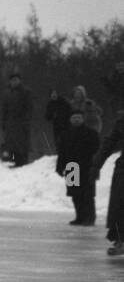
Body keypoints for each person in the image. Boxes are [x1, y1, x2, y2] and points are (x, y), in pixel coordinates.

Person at [57, 109, 99, 225]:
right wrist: (60, 167)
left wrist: (95, 166)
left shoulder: (91, 133)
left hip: (87, 167)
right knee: (75, 194)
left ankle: (90, 218)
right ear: (70, 120)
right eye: (74, 118)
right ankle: (79, 217)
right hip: (71, 167)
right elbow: (62, 153)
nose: (76, 120)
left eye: (78, 118)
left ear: (83, 119)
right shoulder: (65, 134)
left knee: (87, 194)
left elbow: (96, 150)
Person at [93, 110, 124, 255]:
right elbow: (109, 143)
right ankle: (121, 240)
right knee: (119, 205)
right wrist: (96, 165)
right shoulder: (121, 121)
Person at [1, 72, 33, 166]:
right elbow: (4, 108)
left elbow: (29, 107)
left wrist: (26, 120)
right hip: (10, 122)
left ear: (19, 80)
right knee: (11, 144)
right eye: (12, 80)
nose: (14, 82)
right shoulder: (7, 93)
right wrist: (3, 121)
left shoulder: (26, 92)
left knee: (22, 144)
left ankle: (23, 162)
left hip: (22, 122)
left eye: (16, 80)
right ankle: (14, 160)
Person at [45, 90, 72, 156]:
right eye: (52, 94)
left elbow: (70, 111)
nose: (54, 95)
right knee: (58, 142)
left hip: (66, 125)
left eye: (55, 93)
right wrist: (52, 115)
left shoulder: (64, 101)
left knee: (66, 141)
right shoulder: (50, 104)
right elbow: (47, 117)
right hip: (56, 126)